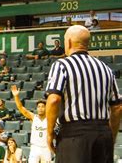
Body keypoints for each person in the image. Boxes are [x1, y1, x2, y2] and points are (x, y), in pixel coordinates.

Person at [46, 25, 121, 163]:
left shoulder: (62, 65)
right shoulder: (106, 69)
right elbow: (117, 107)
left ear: (68, 42)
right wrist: (111, 136)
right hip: (103, 134)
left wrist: (50, 133)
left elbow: (53, 100)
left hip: (74, 135)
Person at [11, 85, 50, 163]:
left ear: (46, 108)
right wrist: (16, 96)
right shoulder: (33, 117)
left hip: (46, 147)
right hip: (35, 147)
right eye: (38, 106)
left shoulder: (50, 118)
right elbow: (21, 108)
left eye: (43, 106)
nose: (40, 108)